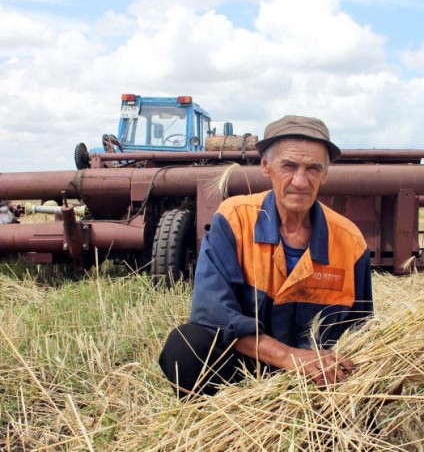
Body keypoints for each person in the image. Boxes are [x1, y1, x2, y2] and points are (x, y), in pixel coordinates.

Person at [158, 115, 373, 397]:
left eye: (313, 169)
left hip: (318, 378)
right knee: (185, 346)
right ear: (265, 166)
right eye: (289, 166)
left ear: (325, 175)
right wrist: (290, 358)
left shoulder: (350, 241)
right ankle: (218, 425)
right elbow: (212, 313)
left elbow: (362, 328)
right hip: (247, 370)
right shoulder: (235, 220)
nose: (300, 180)